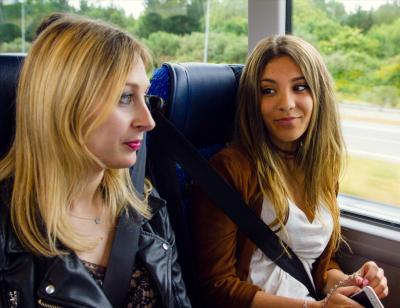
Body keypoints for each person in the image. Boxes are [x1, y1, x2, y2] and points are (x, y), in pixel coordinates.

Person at [0, 14, 190, 308]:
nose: (148, 121)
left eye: (146, 96)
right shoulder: (7, 223)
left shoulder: (147, 208)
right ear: (64, 103)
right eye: (125, 97)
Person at [192, 35, 388, 308]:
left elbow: (315, 266)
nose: (286, 103)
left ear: (319, 95)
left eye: (300, 87)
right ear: (253, 101)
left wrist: (351, 282)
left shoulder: (322, 166)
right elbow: (217, 288)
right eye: (268, 91)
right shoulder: (231, 168)